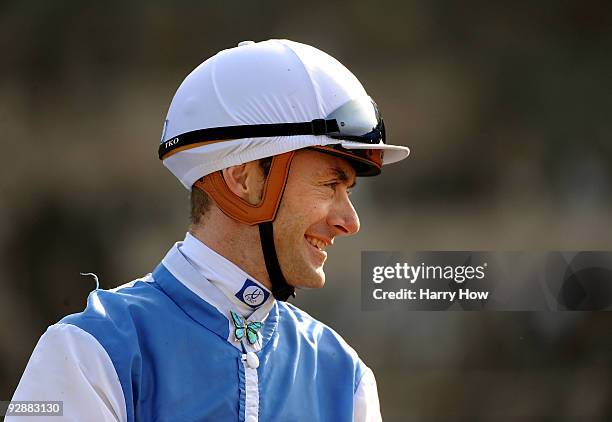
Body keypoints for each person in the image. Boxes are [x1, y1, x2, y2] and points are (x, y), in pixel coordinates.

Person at [9, 39, 409, 421]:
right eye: (329, 185)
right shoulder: (87, 351)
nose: (350, 221)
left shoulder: (346, 377)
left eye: (349, 191)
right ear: (244, 178)